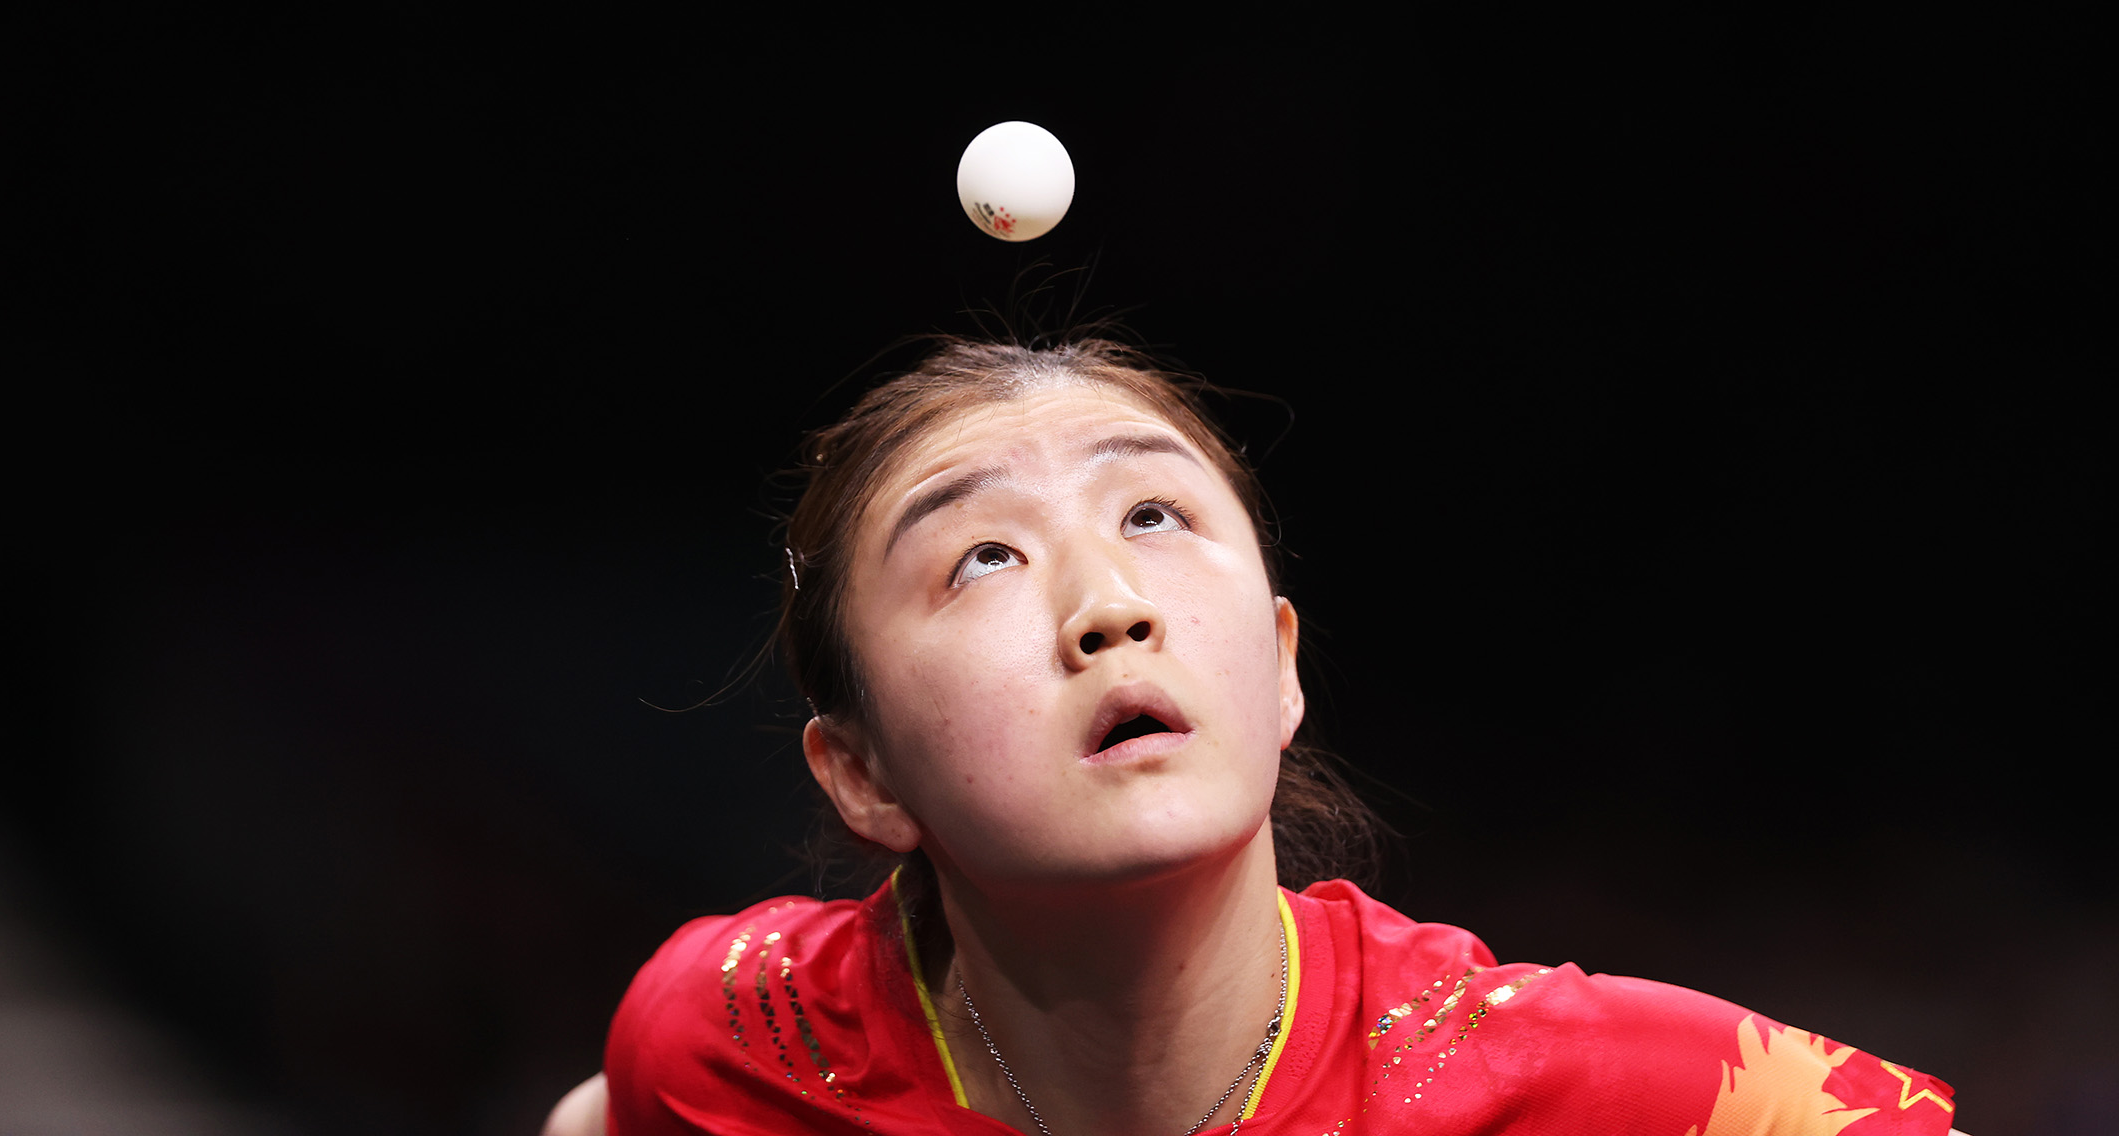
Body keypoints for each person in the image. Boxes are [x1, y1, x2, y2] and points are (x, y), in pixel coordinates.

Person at [545, 338, 1964, 1136]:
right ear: (860, 771)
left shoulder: (1583, 1090)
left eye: (1153, 516)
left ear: (1279, 672)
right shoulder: (738, 1042)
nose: (1107, 608)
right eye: (981, 557)